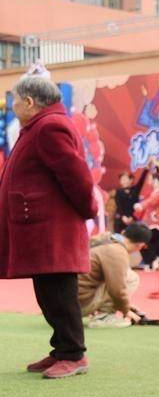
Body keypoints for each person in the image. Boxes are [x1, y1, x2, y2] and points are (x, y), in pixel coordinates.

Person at [0, 74, 97, 379]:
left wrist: (88, 210)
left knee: (58, 294)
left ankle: (73, 354)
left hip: (52, 229)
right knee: (48, 292)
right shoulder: (40, 125)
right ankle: (61, 349)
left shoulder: (48, 126)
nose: (12, 105)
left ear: (29, 102)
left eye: (14, 100)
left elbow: (76, 176)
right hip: (42, 228)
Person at [79, 223, 152, 327]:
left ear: (123, 233)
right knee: (131, 277)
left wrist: (126, 305)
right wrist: (125, 310)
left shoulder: (103, 239)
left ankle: (101, 312)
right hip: (79, 305)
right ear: (140, 245)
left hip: (64, 301)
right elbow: (117, 290)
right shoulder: (117, 252)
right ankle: (104, 317)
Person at [113, 163, 151, 233]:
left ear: (131, 180)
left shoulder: (135, 190)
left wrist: (146, 169)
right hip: (121, 218)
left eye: (125, 179)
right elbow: (119, 205)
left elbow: (141, 181)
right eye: (121, 179)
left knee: (132, 237)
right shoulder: (118, 191)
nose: (123, 181)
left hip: (132, 218)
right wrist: (123, 216)